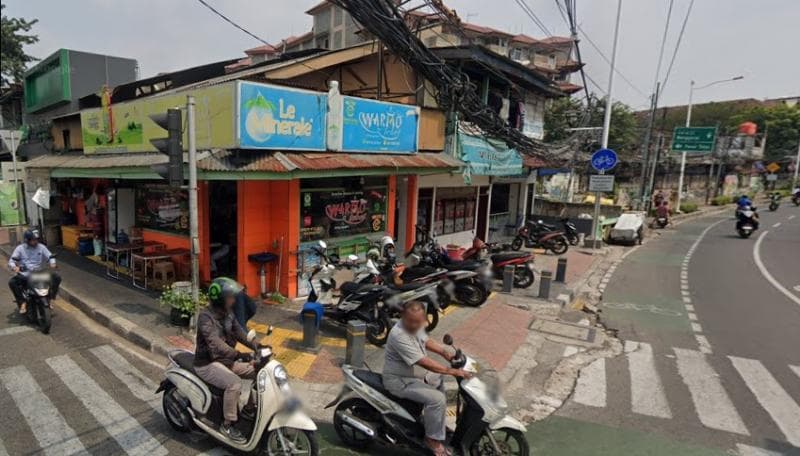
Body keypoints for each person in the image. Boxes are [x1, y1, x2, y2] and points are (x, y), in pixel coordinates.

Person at [383, 301, 472, 456]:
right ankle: (432, 440)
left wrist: (445, 352)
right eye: (412, 321)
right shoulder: (399, 334)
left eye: (419, 321)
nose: (417, 325)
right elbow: (423, 362)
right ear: (404, 317)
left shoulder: (414, 325)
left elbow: (426, 340)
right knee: (437, 399)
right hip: (398, 381)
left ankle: (435, 424)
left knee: (436, 379)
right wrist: (450, 371)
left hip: (412, 375)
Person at [194, 277, 255, 443]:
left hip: (226, 361)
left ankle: (249, 410)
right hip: (208, 363)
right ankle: (227, 425)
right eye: (230, 297)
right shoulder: (205, 318)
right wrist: (239, 355)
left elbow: (240, 333)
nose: (233, 300)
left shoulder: (228, 313)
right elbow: (215, 344)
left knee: (259, 371)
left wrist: (258, 346)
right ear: (220, 299)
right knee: (234, 383)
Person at [8, 229, 61, 315]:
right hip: (25, 274)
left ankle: (50, 298)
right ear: (27, 240)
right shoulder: (20, 248)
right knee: (12, 282)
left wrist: (53, 264)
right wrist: (14, 267)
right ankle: (22, 302)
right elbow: (11, 261)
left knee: (57, 277)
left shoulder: (41, 247)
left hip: (38, 274)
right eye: (33, 240)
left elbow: (50, 256)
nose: (35, 241)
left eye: (36, 239)